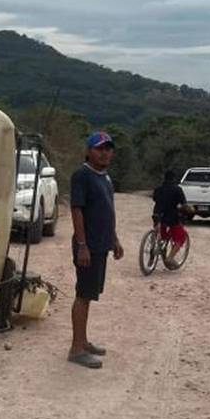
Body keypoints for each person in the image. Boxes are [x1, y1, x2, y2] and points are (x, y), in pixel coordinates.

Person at [68, 131, 124, 369]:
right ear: (89, 151)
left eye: (108, 149)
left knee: (90, 295)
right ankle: (76, 349)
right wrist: (82, 245)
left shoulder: (105, 177)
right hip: (88, 246)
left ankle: (83, 340)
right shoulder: (82, 175)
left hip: (101, 245)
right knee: (83, 294)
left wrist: (115, 239)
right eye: (100, 148)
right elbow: (77, 210)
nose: (105, 153)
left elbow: (107, 210)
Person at [152, 170, 190, 269]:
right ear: (174, 178)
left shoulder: (158, 189)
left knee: (160, 234)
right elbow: (184, 204)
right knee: (180, 237)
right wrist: (190, 209)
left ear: (164, 178)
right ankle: (170, 258)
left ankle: (155, 250)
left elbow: (155, 199)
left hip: (157, 215)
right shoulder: (177, 189)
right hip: (171, 217)